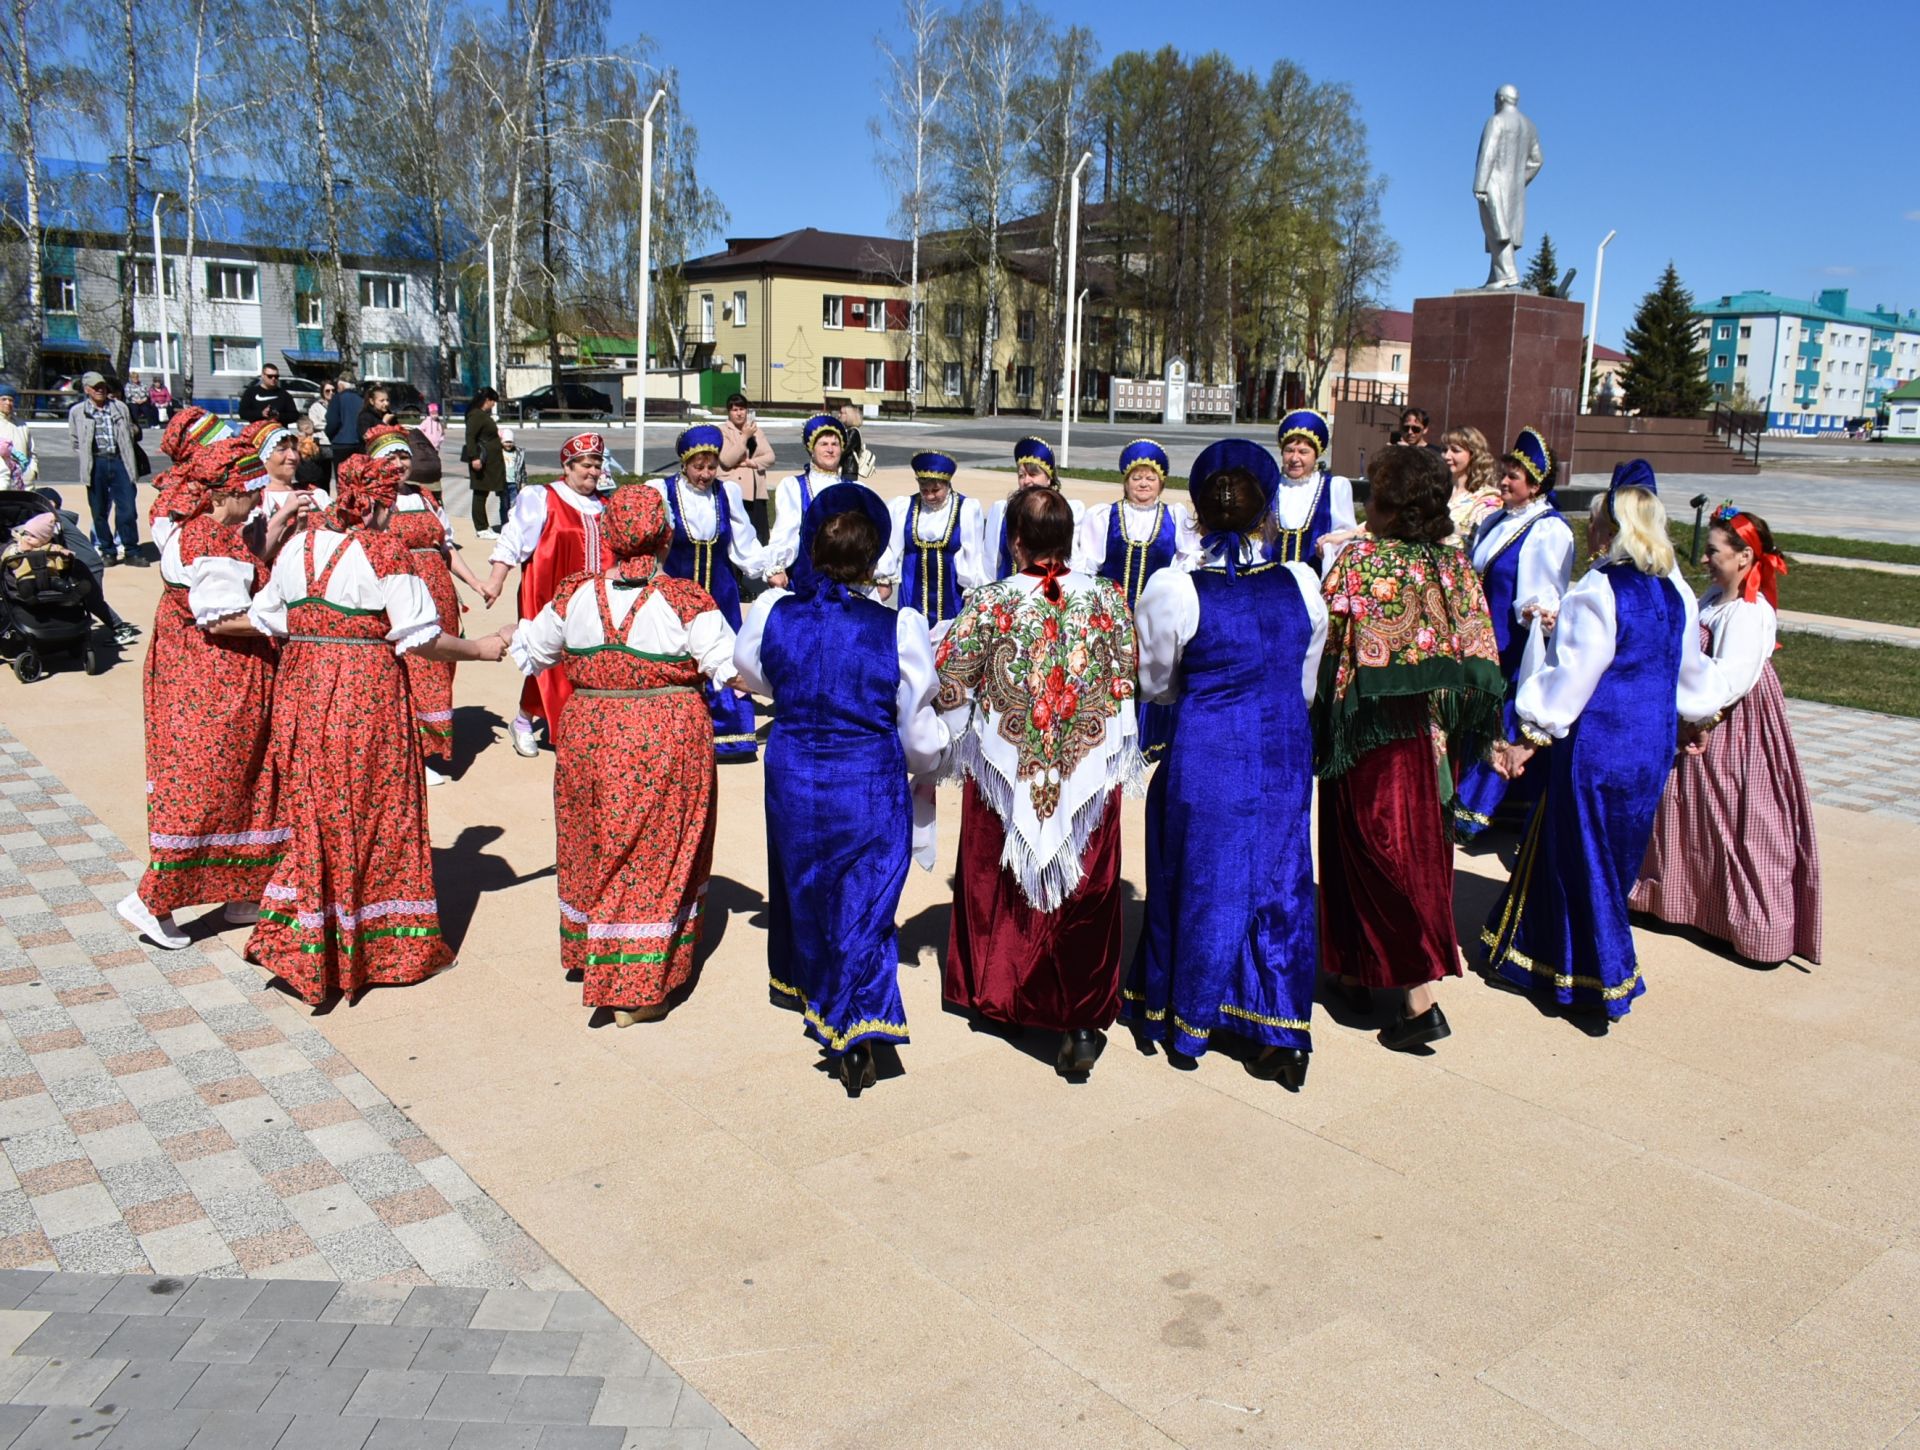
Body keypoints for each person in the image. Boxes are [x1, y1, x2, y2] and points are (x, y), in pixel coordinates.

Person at [243, 451, 508, 1006]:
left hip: (303, 688)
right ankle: (380, 948)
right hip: (364, 692)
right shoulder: (383, 550)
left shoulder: (301, 543)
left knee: (316, 807)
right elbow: (421, 638)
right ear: (385, 502)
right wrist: (482, 650)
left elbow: (268, 616)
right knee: (376, 808)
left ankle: (312, 939)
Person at [1481, 480, 1729, 1027]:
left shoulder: (1600, 588)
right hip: (1650, 747)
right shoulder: (1673, 591)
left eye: (1597, 522)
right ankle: (1546, 957)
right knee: (1608, 853)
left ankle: (1605, 972)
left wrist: (1529, 735)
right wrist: (1694, 718)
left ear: (1613, 530)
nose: (1590, 531)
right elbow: (1688, 668)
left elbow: (1574, 673)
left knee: (1586, 854)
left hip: (1601, 745)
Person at [1126, 440, 1328, 1086]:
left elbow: (1156, 681)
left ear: (1198, 512)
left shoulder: (1175, 588)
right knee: (1279, 874)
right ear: (1266, 510)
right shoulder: (1299, 582)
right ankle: (1275, 1023)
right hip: (1284, 746)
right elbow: (1306, 678)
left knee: (1205, 876)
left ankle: (1192, 1017)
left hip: (1210, 746)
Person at [733, 484, 946, 1093]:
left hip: (795, 767)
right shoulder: (900, 625)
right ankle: (859, 1020)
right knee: (865, 897)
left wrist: (801, 697)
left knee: (807, 884)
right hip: (867, 777)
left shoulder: (773, 612)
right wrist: (931, 758)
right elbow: (916, 727)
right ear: (875, 555)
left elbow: (753, 674)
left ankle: (825, 997)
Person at [509, 483, 741, 1025]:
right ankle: (639, 986)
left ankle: (596, 952)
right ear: (664, 536)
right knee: (657, 852)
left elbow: (532, 651)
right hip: (663, 734)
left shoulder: (573, 594)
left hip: (589, 731)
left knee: (594, 839)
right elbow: (731, 669)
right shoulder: (685, 600)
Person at [937, 486, 1140, 1077]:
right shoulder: (1107, 598)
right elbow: (1128, 677)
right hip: (1085, 768)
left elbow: (950, 680)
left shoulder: (990, 601)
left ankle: (1002, 996)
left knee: (1001, 872)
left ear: (1015, 541)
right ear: (1069, 538)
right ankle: (1078, 1018)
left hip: (1013, 763)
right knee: (1084, 885)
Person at [1315, 445, 1505, 1051]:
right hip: (1432, 737)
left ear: (1393, 503)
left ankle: (1419, 993)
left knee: (1378, 855)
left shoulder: (1362, 562)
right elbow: (1478, 647)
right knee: (1414, 850)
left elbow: (1324, 644)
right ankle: (1353, 969)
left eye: (1376, 492)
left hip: (1370, 738)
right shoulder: (1454, 565)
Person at [1631, 500, 1821, 966]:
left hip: (1734, 723)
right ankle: (1680, 903)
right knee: (1687, 816)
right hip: (1700, 719)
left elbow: (1734, 679)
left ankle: (1756, 928)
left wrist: (1704, 720)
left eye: (1714, 551)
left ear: (1744, 557)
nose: (1705, 559)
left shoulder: (1749, 613)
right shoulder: (1714, 601)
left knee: (1743, 821)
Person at [116, 437, 282, 951]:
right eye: (249, 492)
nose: (256, 501)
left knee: (240, 784)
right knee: (211, 785)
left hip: (191, 674)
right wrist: (287, 619)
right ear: (224, 492)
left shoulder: (194, 531)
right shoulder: (214, 541)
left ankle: (241, 893)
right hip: (216, 683)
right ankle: (151, 898)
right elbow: (224, 618)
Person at [1448, 427, 1574, 841]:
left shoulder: (1548, 529)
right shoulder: (1499, 519)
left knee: (1500, 723)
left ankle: (1474, 811)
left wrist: (1539, 612)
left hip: (1512, 648)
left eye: (1514, 476)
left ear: (1536, 485)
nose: (1503, 481)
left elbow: (1542, 595)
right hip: (1481, 642)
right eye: (1504, 472)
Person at [483, 432, 613, 757]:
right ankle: (524, 721)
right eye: (586, 465)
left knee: (592, 660)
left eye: (597, 465)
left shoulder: (607, 505)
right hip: (549, 593)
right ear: (567, 466)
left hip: (595, 599)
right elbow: (513, 539)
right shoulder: (542, 497)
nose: (593, 472)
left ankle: (584, 727)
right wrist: (496, 580)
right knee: (547, 659)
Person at [371, 425, 487, 783]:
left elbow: (446, 548)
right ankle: (417, 754)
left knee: (441, 670)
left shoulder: (426, 498)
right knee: (417, 671)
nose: (398, 462)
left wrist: (476, 582)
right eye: (389, 456)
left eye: (403, 455)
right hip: (400, 596)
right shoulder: (372, 504)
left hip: (439, 595)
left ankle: (430, 748)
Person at [648, 424, 769, 763]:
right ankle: (674, 736)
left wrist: (769, 569)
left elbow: (743, 545)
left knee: (726, 656)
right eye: (698, 467)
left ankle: (726, 736)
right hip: (675, 593)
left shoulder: (726, 495)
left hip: (719, 594)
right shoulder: (661, 491)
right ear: (684, 464)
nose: (705, 474)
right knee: (676, 658)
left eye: (711, 466)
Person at [1071, 439, 1197, 763]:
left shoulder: (1174, 516)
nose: (1143, 483)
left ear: (1162, 482)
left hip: (1156, 621)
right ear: (1125, 481)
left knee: (1155, 673)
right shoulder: (1104, 516)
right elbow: (1088, 564)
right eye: (1136, 477)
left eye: (1150, 477)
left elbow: (1188, 561)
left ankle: (1150, 739)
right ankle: (1110, 737)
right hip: (1112, 616)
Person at [884, 451, 989, 635]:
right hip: (912, 595)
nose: (930, 496)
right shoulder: (904, 507)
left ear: (947, 485)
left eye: (935, 491)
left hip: (952, 597)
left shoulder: (965, 509)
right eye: (924, 491)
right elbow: (890, 547)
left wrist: (971, 589)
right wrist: (884, 578)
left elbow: (973, 553)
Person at [765, 414, 855, 592]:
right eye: (824, 444)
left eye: (835, 444)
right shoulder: (794, 487)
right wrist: (777, 566)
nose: (830, 450)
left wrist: (881, 577)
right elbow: (785, 531)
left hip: (845, 581)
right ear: (812, 450)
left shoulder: (853, 489)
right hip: (805, 579)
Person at [67, 371, 146, 566]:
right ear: (87, 390)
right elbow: (75, 440)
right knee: (99, 510)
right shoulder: (77, 412)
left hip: (120, 461)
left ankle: (131, 550)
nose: (100, 390)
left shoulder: (119, 407)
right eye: (95, 387)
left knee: (127, 508)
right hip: (96, 463)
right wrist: (87, 458)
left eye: (102, 386)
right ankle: (108, 550)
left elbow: (130, 431)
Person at [985, 436, 1085, 581]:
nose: (1026, 481)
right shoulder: (1001, 511)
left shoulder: (1066, 511)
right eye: (1021, 475)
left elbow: (1073, 560)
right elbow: (990, 561)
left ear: (1049, 478)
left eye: (1033, 474)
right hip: (1010, 596)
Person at [1268, 410, 1357, 567]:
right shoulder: (1271, 486)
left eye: (1303, 452)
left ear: (1316, 455)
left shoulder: (1333, 487)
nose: (1295, 459)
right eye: (1289, 451)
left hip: (1314, 582)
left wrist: (1329, 546)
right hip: (1272, 581)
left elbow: (1345, 535)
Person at [716, 393, 777, 538]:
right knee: (738, 537)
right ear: (729, 412)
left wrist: (752, 463)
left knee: (760, 536)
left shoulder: (756, 431)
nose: (739, 413)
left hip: (757, 492)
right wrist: (744, 437)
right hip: (736, 491)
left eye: (742, 409)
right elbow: (727, 460)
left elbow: (770, 457)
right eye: (735, 410)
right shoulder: (722, 431)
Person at [1440, 424, 1501, 544]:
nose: (1447, 456)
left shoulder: (1488, 497)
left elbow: (1479, 540)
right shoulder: (1437, 489)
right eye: (1444, 450)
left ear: (1474, 454)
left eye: (1455, 450)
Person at [466, 387, 507, 537]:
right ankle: (481, 528)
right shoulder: (476, 416)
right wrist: (474, 457)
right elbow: (470, 437)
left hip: (489, 460)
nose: (494, 404)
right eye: (493, 401)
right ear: (487, 400)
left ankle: (484, 526)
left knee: (483, 491)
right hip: (481, 460)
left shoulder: (481, 415)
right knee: (480, 492)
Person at [0, 384, 41, 488]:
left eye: (11, 400)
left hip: (23, 482)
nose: (8, 403)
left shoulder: (21, 425)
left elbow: (32, 452)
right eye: (4, 399)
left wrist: (32, 471)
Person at [324, 375, 367, 462]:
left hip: (341, 443)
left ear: (341, 386)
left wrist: (330, 435)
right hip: (359, 443)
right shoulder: (361, 400)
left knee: (342, 473)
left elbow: (333, 422)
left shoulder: (337, 399)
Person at [837, 402, 874, 481]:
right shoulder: (848, 431)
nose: (839, 415)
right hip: (846, 469)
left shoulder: (853, 432)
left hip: (849, 470)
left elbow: (844, 449)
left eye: (842, 413)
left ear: (849, 415)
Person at [499, 426, 527, 518]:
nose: (508, 444)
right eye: (506, 442)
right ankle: (504, 524)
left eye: (510, 442)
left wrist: (523, 482)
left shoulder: (518, 453)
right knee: (504, 505)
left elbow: (522, 469)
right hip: (503, 483)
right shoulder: (499, 452)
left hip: (514, 483)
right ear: (502, 442)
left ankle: (513, 524)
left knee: (514, 504)